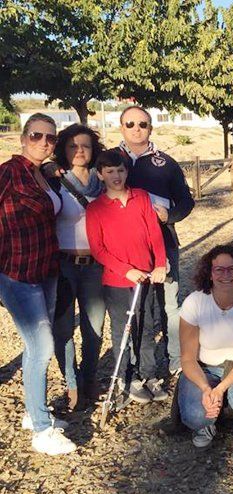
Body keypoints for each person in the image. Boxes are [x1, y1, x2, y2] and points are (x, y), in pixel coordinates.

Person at [0, 113, 76, 455]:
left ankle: (34, 412)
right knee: (43, 345)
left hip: (46, 270)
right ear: (22, 137)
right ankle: (42, 431)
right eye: (36, 135)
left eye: (50, 137)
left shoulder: (42, 174)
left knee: (34, 349)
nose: (43, 142)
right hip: (17, 274)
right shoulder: (9, 172)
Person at [115, 105, 195, 375]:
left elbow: (186, 200)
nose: (136, 129)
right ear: (121, 127)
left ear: (151, 127)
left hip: (165, 243)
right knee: (137, 309)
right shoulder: (110, 160)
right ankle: (137, 365)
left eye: (142, 124)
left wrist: (170, 215)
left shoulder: (166, 163)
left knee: (170, 304)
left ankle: (175, 357)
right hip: (126, 249)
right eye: (130, 124)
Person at [86, 151, 168, 403]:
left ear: (127, 171)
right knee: (122, 329)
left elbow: (154, 233)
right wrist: (125, 270)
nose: (116, 176)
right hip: (118, 281)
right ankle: (126, 376)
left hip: (146, 277)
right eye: (109, 171)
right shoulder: (95, 208)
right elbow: (98, 249)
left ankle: (148, 374)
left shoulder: (141, 197)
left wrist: (159, 264)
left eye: (120, 170)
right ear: (101, 174)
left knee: (146, 327)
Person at [178, 245, 233, 452]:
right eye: (219, 270)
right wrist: (207, 389)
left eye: (232, 269)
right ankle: (206, 424)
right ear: (210, 273)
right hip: (204, 367)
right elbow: (188, 358)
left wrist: (221, 388)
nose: (226, 275)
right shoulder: (194, 302)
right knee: (195, 416)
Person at [45, 124, 106, 411]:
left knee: (94, 327)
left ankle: (90, 378)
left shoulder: (103, 180)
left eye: (85, 146)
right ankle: (71, 382)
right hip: (65, 264)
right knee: (63, 329)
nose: (79, 151)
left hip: (96, 266)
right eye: (73, 146)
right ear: (63, 150)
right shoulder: (55, 180)